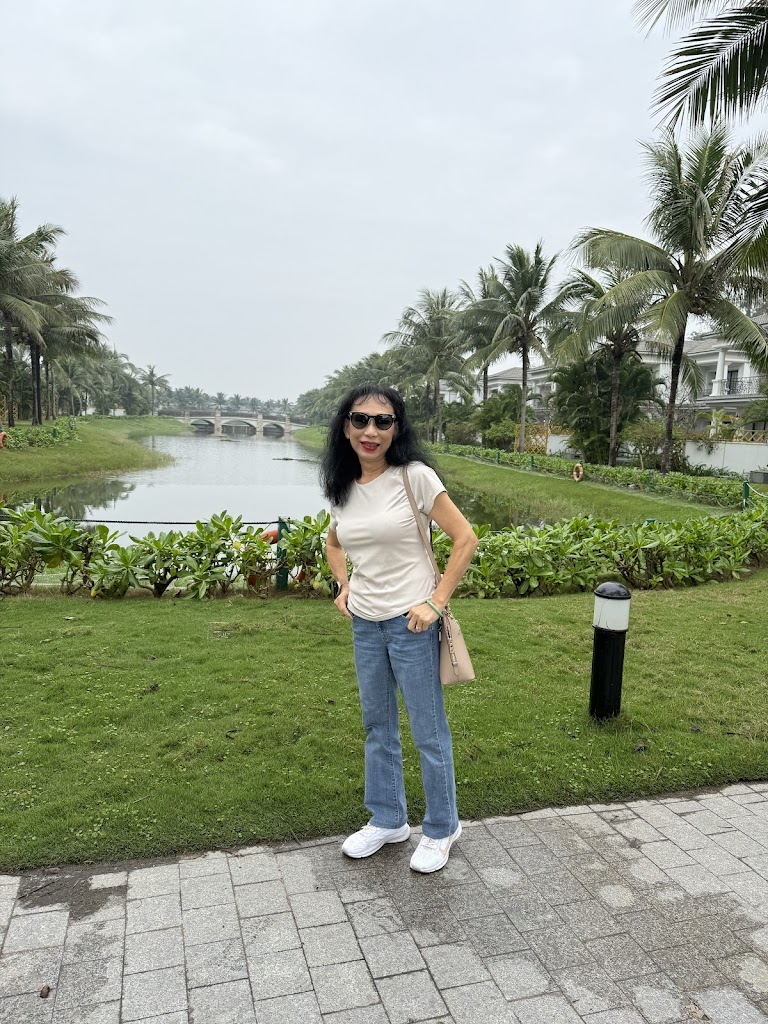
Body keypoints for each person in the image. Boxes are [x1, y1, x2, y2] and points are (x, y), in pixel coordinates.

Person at [322, 384, 478, 873]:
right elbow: (333, 543)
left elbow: (465, 538)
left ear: (396, 428)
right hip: (365, 624)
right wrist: (344, 585)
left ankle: (442, 826)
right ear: (345, 427)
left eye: (382, 421)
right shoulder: (341, 488)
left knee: (428, 730)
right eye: (360, 420)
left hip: (412, 624)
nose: (370, 431)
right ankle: (388, 819)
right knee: (377, 725)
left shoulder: (415, 477)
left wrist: (435, 601)